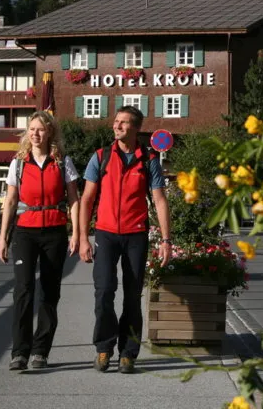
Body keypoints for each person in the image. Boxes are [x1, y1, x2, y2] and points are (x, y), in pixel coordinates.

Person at [78, 106, 172, 374]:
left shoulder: (148, 160)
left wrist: (166, 240)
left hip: (135, 235)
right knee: (105, 291)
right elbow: (86, 199)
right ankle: (104, 348)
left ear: (136, 128)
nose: (117, 126)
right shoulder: (102, 157)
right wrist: (84, 237)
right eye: (115, 121)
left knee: (132, 296)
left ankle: (128, 353)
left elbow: (159, 200)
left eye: (123, 123)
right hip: (106, 233)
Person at [0, 111, 80, 371]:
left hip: (54, 231)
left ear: (50, 133)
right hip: (25, 232)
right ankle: (19, 352)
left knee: (49, 292)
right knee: (23, 291)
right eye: (31, 129)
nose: (35, 133)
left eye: (41, 129)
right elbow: (10, 201)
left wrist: (76, 232)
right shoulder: (18, 163)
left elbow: (74, 199)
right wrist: (2, 237)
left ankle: (40, 351)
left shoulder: (62, 162)